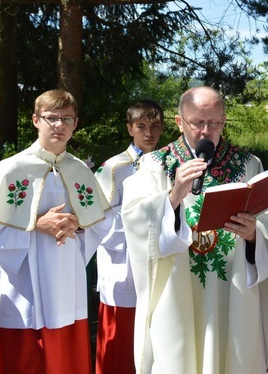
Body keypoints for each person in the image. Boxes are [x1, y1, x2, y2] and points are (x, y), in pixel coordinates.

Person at [122, 86, 268, 374]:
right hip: (178, 288)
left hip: (231, 290)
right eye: (198, 122)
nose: (206, 131)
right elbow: (134, 219)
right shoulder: (155, 165)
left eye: (215, 123)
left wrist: (254, 234)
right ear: (179, 121)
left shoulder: (248, 165)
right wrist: (172, 196)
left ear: (224, 121)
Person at [0, 90, 112, 374]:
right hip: (24, 283)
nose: (59, 125)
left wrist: (77, 223)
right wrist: (35, 224)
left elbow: (100, 225)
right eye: (51, 118)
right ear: (35, 120)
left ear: (76, 123)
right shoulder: (12, 169)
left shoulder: (80, 171)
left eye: (66, 118)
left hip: (66, 281)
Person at [94, 99, 164, 374]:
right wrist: (143, 223)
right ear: (129, 128)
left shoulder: (168, 163)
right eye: (141, 126)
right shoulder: (113, 168)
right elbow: (100, 221)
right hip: (122, 266)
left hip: (159, 261)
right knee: (120, 343)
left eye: (155, 126)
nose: (149, 133)